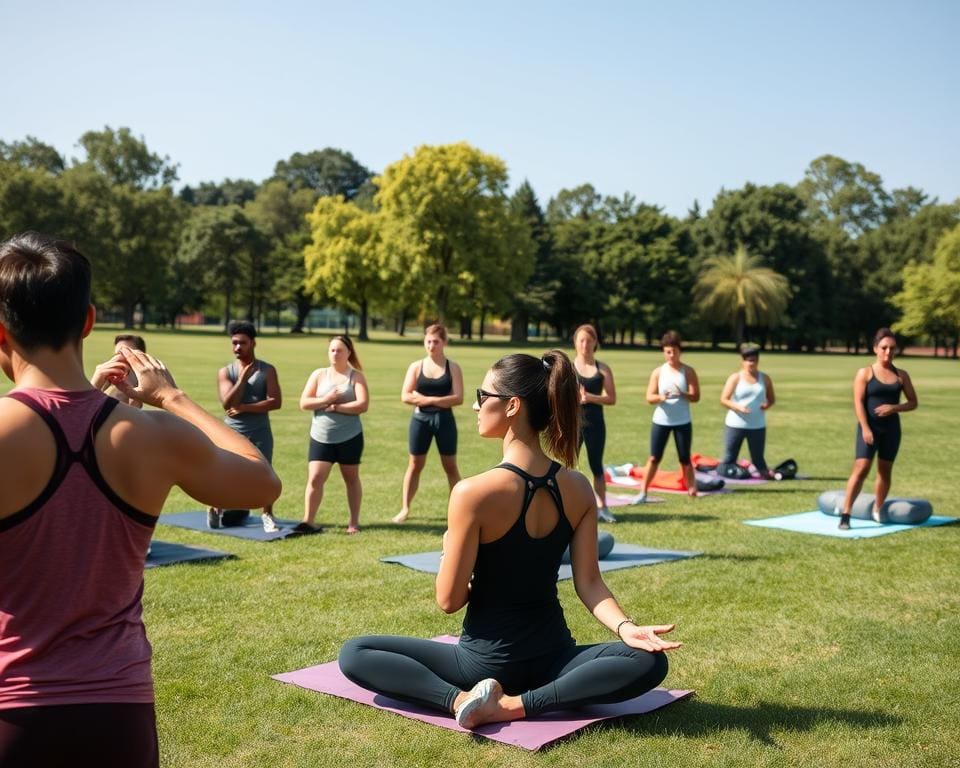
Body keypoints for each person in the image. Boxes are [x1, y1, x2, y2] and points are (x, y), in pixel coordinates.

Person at [0, 232, 280, 767]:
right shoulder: (152, 434)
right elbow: (261, 482)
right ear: (88, 321)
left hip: (15, 709)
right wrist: (172, 399)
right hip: (118, 712)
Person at [338, 350, 678, 730]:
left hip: (480, 664)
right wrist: (625, 628)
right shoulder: (578, 487)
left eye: (483, 397)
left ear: (513, 405)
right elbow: (590, 583)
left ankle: (469, 701)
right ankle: (523, 703)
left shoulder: (473, 493)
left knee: (356, 652)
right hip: (554, 662)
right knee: (648, 660)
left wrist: (451, 550)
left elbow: (448, 601)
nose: (474, 406)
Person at [838, 328, 918, 530]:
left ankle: (878, 509)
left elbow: (913, 402)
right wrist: (865, 428)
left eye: (892, 348)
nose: (888, 352)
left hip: (891, 430)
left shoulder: (901, 376)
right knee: (861, 468)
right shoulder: (865, 373)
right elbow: (858, 402)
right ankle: (846, 513)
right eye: (884, 348)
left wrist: (895, 407)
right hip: (869, 428)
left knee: (885, 471)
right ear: (875, 348)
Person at [213, 321, 282, 532]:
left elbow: (275, 401)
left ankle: (267, 515)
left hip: (260, 431)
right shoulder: (226, 371)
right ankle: (216, 510)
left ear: (253, 343)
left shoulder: (267, 370)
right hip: (232, 432)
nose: (237, 348)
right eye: (234, 343)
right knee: (223, 472)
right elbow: (227, 403)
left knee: (265, 473)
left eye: (242, 343)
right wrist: (243, 377)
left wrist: (244, 407)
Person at [297, 335, 369, 534]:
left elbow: (362, 405)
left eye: (339, 350)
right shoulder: (319, 375)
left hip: (350, 437)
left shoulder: (356, 376)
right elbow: (304, 403)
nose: (335, 354)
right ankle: (308, 520)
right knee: (315, 479)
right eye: (332, 350)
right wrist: (326, 399)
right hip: (321, 436)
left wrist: (338, 407)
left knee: (351, 479)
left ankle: (353, 522)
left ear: (349, 353)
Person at [394, 323, 464, 524]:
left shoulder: (453, 367)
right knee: (415, 464)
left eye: (436, 341)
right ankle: (405, 509)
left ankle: (457, 510)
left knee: (450, 466)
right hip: (420, 420)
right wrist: (436, 400)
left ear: (444, 343)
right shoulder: (416, 367)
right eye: (428, 341)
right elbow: (405, 396)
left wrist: (427, 400)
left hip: (444, 420)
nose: (431, 346)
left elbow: (458, 398)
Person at [635, 331, 700, 503]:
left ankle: (692, 488)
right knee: (654, 457)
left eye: (674, 351)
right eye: (668, 351)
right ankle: (643, 492)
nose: (671, 355)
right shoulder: (658, 372)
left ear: (680, 351)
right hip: (661, 421)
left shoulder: (688, 371)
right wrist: (661, 397)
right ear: (664, 352)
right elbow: (649, 397)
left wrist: (683, 393)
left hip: (682, 421)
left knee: (685, 458)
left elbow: (696, 397)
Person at [572, 324, 617, 523]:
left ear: (595, 343)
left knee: (596, 465)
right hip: (573, 422)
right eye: (581, 340)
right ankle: (567, 505)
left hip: (595, 422)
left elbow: (611, 398)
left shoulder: (602, 369)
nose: (585, 344)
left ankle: (603, 507)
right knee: (568, 465)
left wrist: (590, 397)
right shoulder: (569, 368)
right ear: (575, 343)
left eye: (589, 341)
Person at [718, 344, 775, 477]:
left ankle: (758, 471)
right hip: (735, 424)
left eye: (753, 360)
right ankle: (728, 470)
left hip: (757, 425)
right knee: (728, 459)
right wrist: (738, 407)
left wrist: (766, 406)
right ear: (742, 361)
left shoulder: (764, 378)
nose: (751, 363)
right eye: (748, 360)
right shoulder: (735, 378)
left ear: (757, 361)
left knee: (758, 460)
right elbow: (724, 399)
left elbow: (771, 399)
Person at [91, 334, 148, 408]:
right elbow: (85, 403)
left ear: (141, 355)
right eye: (117, 354)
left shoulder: (144, 380)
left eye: (126, 353)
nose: (120, 357)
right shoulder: (107, 375)